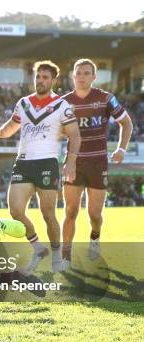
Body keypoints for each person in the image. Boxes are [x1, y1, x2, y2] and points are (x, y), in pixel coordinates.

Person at [0, 60, 81, 273]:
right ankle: (38, 248)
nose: (40, 80)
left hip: (47, 163)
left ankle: (57, 256)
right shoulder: (24, 103)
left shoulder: (61, 106)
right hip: (23, 163)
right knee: (16, 211)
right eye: (38, 76)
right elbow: (12, 126)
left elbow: (75, 135)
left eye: (45, 77)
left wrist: (71, 161)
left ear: (53, 80)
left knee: (48, 214)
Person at [61, 59, 133, 266]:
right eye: (78, 73)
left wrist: (121, 148)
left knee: (94, 214)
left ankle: (94, 237)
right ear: (73, 77)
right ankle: (66, 255)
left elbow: (126, 123)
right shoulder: (63, 102)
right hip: (74, 163)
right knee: (71, 211)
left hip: (98, 164)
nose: (82, 77)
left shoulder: (106, 99)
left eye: (86, 73)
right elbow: (55, 130)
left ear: (94, 77)